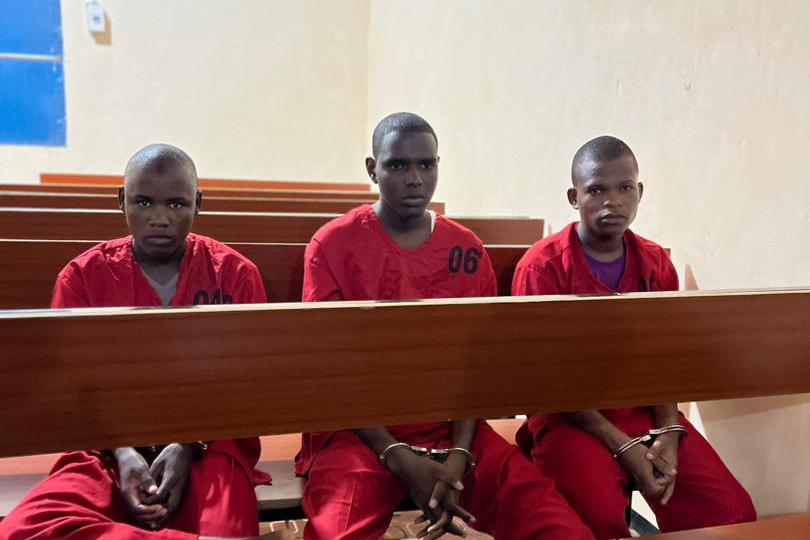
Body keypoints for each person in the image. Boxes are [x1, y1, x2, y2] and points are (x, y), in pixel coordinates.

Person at [297, 113, 594, 540]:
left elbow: (477, 365)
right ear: (372, 169)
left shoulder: (466, 250)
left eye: (427, 164)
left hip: (452, 427)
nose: (415, 179)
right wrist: (395, 454)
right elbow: (329, 368)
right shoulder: (333, 244)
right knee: (335, 533)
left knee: (556, 525)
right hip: (357, 432)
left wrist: (457, 453)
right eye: (398, 165)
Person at [0, 144, 280, 540]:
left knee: (228, 528)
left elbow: (249, 383)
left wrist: (187, 444)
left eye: (177, 204)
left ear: (198, 204)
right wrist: (123, 450)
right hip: (102, 446)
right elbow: (74, 388)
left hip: (209, 444)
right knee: (22, 530)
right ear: (121, 200)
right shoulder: (82, 276)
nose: (160, 219)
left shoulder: (233, 274)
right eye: (144, 202)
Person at [511, 135, 756, 538]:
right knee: (596, 519)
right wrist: (623, 447)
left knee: (729, 512)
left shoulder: (656, 262)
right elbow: (545, 380)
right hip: (570, 417)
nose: (613, 201)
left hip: (645, 413)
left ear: (639, 192)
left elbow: (665, 358)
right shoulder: (541, 268)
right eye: (596, 190)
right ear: (574, 197)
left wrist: (669, 432)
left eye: (625, 188)